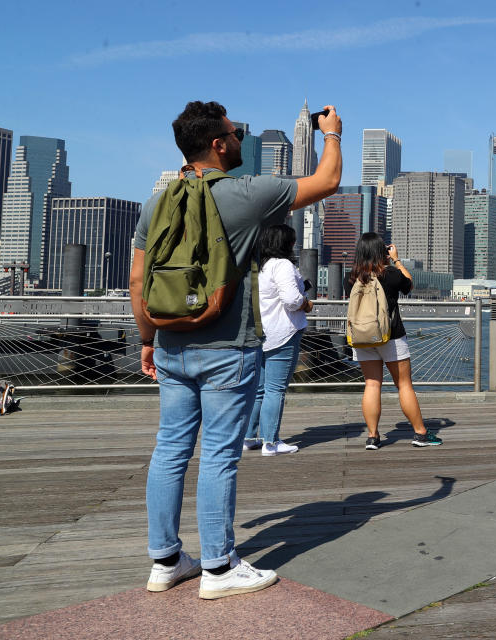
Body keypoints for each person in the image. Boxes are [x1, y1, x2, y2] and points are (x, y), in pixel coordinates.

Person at [129, 100, 341, 599]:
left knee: (170, 449)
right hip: (228, 348)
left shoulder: (157, 202)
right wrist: (331, 133)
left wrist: (145, 338)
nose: (242, 137)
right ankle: (219, 570)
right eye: (235, 131)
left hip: (170, 345)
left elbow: (139, 278)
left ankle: (165, 561)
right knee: (220, 456)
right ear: (219, 144)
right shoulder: (249, 194)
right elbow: (327, 181)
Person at [347, 232, 442, 449]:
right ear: (382, 252)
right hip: (391, 336)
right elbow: (409, 284)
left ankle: (372, 436)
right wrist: (397, 260)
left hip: (362, 337)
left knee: (371, 384)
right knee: (404, 385)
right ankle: (420, 433)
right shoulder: (390, 274)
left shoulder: (351, 277)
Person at [242, 224, 312, 456]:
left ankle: (250, 437)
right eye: (293, 241)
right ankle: (271, 442)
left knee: (259, 389)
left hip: (261, 333)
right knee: (275, 389)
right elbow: (292, 300)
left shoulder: (260, 267)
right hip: (283, 334)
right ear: (287, 244)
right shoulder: (283, 265)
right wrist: (306, 303)